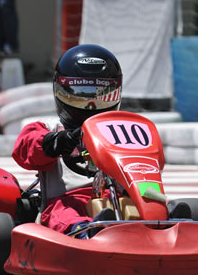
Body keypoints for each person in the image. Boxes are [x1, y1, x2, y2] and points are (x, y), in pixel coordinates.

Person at [11, 44, 122, 238]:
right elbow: (24, 149)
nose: (91, 104)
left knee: (146, 202)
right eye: (81, 95)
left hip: (120, 198)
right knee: (65, 213)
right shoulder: (50, 127)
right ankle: (86, 233)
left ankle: (165, 222)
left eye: (100, 95)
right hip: (69, 199)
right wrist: (54, 142)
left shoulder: (122, 128)